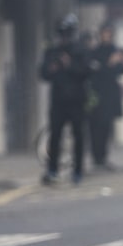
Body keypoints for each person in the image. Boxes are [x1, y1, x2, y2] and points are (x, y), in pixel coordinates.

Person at [39, 13, 90, 185]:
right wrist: (53, 67)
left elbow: (86, 72)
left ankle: (78, 171)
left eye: (67, 34)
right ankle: (52, 170)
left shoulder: (80, 51)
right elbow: (43, 73)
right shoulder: (52, 51)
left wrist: (69, 65)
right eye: (62, 34)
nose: (64, 37)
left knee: (78, 136)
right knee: (55, 136)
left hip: (76, 101)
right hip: (58, 101)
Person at [87, 22, 123, 170]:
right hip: (97, 94)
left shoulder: (116, 50)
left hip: (110, 95)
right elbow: (95, 71)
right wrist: (109, 64)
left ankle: (103, 157)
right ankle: (96, 156)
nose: (107, 35)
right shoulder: (95, 52)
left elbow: (122, 70)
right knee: (94, 126)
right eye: (104, 32)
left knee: (106, 126)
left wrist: (119, 62)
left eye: (109, 33)